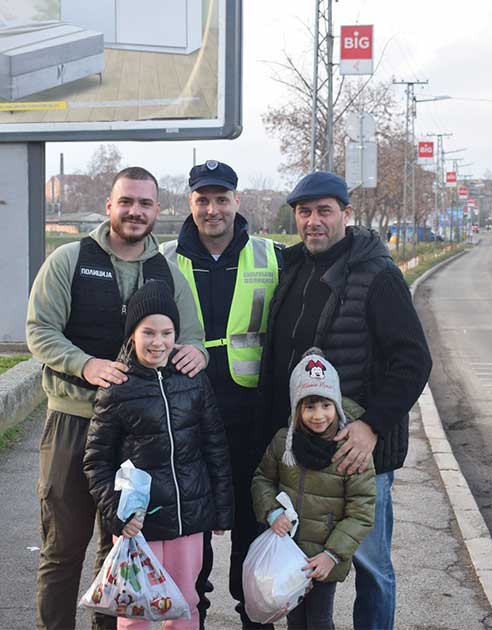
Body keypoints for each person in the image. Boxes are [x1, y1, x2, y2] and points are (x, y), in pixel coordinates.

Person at [26, 167, 208, 630]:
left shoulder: (166, 271)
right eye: (126, 201)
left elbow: (193, 336)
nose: (135, 211)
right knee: (63, 547)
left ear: (157, 211)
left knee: (120, 546)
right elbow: (38, 330)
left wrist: (195, 353)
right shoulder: (69, 259)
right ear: (109, 206)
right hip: (73, 420)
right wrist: (85, 364)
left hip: (134, 434)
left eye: (145, 203)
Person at [255, 171, 432, 630]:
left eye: (324, 211)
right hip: (302, 455)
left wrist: (371, 426)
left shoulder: (379, 275)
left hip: (359, 455)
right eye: (304, 212)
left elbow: (413, 361)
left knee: (371, 569)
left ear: (346, 215)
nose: (313, 221)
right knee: (305, 564)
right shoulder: (292, 267)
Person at [160, 160, 281, 629]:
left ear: (237, 201)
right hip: (185, 416)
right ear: (190, 203)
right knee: (194, 535)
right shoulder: (165, 257)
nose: (212, 209)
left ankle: (256, 617)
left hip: (251, 416)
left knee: (253, 528)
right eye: (202, 200)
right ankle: (195, 619)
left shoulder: (271, 256)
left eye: (221, 199)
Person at [83, 279, 234, 630]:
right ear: (132, 335)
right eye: (148, 332)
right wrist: (116, 513)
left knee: (185, 602)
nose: (158, 342)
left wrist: (222, 511)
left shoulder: (193, 379)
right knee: (134, 609)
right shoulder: (116, 388)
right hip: (138, 523)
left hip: (188, 519)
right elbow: (96, 461)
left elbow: (215, 447)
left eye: (167, 332)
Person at [252, 348, 376, 630]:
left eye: (325, 405)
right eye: (309, 407)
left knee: (319, 621)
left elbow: (362, 511)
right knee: (295, 619)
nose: (318, 415)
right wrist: (271, 512)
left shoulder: (350, 451)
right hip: (289, 555)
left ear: (337, 405)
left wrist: (333, 554)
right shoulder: (285, 443)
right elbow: (262, 479)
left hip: (323, 559)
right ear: (297, 408)